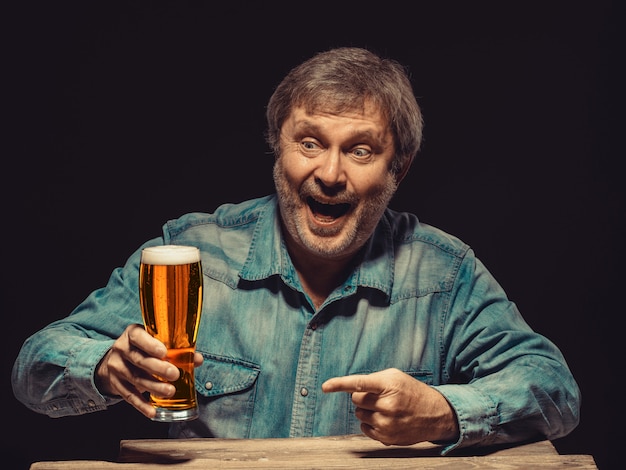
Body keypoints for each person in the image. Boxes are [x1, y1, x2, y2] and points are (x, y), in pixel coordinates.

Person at [12, 46, 580, 453]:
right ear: (277, 149)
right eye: (309, 143)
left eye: (360, 151)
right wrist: (105, 368)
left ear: (397, 170)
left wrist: (445, 412)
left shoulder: (444, 271)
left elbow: (553, 389)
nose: (329, 174)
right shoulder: (190, 253)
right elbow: (35, 363)